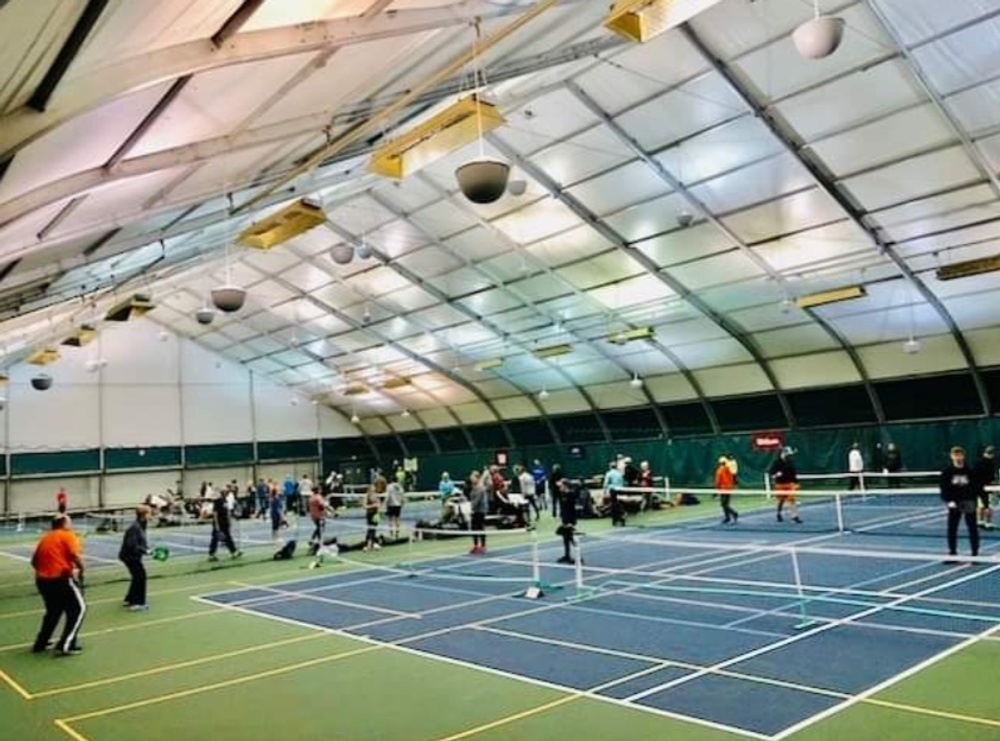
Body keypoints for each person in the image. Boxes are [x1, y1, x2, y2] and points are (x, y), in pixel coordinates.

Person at [31, 515, 86, 656]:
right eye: (69, 522)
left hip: (42, 581)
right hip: (60, 579)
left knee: (53, 611)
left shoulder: (45, 538)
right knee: (78, 609)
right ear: (64, 524)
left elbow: (34, 561)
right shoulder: (67, 535)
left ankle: (41, 643)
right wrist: (81, 569)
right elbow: (75, 555)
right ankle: (66, 645)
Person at [939, 446, 979, 559]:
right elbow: (944, 488)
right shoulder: (947, 472)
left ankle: (975, 553)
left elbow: (975, 487)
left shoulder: (970, 471)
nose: (958, 457)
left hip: (968, 502)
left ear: (963, 456)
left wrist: (972, 500)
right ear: (951, 457)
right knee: (952, 528)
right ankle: (952, 553)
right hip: (954, 503)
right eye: (955, 455)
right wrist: (949, 501)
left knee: (972, 528)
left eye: (960, 455)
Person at [119, 505, 151, 611]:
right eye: (149, 513)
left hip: (134, 556)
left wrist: (146, 548)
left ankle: (129, 599)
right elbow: (131, 545)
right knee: (141, 576)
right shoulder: (135, 527)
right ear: (144, 515)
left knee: (137, 576)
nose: (150, 515)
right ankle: (137, 603)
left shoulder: (142, 525)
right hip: (129, 556)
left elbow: (140, 541)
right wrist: (144, 550)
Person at [769, 447, 802, 524]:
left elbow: (793, 473)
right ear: (782, 453)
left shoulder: (790, 462)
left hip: (790, 484)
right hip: (780, 484)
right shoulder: (776, 462)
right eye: (787, 453)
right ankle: (778, 513)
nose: (789, 455)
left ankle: (794, 516)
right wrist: (776, 474)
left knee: (791, 500)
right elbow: (771, 473)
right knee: (780, 501)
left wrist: (796, 483)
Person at [208, 490, 242, 561]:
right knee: (215, 539)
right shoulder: (217, 502)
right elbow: (215, 514)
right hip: (219, 524)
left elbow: (227, 512)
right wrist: (217, 526)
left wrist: (230, 521)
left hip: (225, 523)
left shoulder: (225, 501)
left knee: (228, 538)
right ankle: (211, 554)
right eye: (224, 493)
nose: (226, 494)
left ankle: (233, 551)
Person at [972, 445, 996, 531]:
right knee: (988, 506)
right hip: (987, 487)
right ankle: (988, 523)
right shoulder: (990, 463)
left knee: (981, 505)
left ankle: (980, 521)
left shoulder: (977, 462)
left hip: (977, 487)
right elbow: (991, 477)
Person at [556, 477, 579, 565]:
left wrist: (571, 522)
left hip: (570, 520)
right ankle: (567, 555)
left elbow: (572, 509)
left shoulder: (570, 495)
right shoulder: (562, 495)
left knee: (571, 538)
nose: (560, 487)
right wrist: (561, 518)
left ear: (565, 486)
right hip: (564, 519)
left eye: (561, 485)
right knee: (565, 538)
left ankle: (578, 556)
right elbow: (563, 508)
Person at [468, 470, 489, 555]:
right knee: (474, 528)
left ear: (477, 478)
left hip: (480, 511)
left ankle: (483, 546)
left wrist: (472, 509)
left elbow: (477, 500)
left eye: (472, 477)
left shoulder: (480, 488)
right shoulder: (473, 487)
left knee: (480, 528)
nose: (471, 479)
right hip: (475, 511)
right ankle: (476, 546)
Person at [714, 456, 738, 525]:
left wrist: (716, 490)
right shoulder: (729, 470)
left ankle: (733, 514)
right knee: (726, 504)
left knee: (723, 504)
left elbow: (717, 481)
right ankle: (727, 517)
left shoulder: (719, 470)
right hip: (729, 489)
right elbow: (732, 479)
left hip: (723, 489)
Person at [603, 459, 626, 526]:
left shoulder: (609, 473)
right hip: (620, 490)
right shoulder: (619, 473)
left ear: (610, 467)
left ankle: (615, 519)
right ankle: (620, 517)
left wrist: (604, 492)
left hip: (613, 491)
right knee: (618, 504)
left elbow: (606, 483)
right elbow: (622, 483)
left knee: (613, 505)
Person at [363, 484, 382, 552]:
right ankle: (366, 545)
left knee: (374, 529)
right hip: (369, 514)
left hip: (376, 514)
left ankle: (374, 544)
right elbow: (364, 506)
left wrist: (378, 508)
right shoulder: (366, 496)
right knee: (369, 529)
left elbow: (379, 504)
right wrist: (372, 505)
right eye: (372, 488)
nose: (374, 489)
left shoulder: (376, 496)